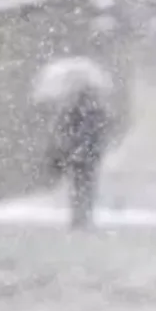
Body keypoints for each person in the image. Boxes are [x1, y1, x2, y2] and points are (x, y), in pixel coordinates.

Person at [49, 85, 112, 228]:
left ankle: (79, 215)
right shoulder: (96, 112)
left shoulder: (71, 111)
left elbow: (63, 130)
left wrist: (69, 146)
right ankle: (84, 215)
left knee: (78, 185)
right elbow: (102, 132)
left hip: (78, 155)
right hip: (89, 155)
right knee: (86, 185)